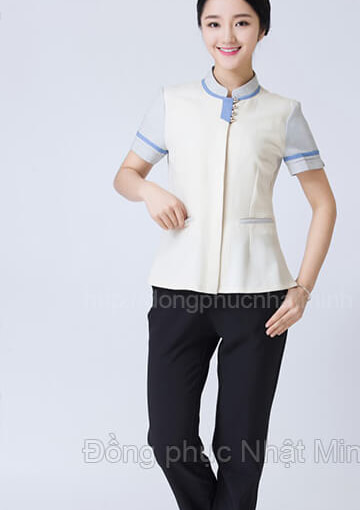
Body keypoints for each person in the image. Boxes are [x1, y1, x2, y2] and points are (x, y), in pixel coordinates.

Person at [113, 0, 337, 508]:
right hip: (178, 293)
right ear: (201, 28)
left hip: (258, 300)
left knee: (241, 451)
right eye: (213, 23)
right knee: (168, 439)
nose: (227, 35)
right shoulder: (172, 102)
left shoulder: (283, 113)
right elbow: (125, 175)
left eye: (242, 22)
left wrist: (302, 289)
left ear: (262, 29)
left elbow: (324, 204)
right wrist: (150, 191)